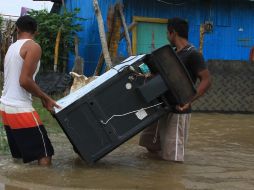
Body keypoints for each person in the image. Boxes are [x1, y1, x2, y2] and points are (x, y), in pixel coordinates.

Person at [139, 17, 211, 162]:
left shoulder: (193, 54)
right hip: (162, 106)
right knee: (149, 144)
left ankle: (171, 179)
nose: (167, 36)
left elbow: (207, 80)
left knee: (173, 157)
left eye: (167, 33)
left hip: (179, 109)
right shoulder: (171, 54)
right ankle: (158, 175)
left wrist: (189, 100)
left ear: (173, 33)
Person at [0, 15, 60, 166]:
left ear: (17, 29)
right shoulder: (33, 46)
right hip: (20, 108)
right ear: (36, 31)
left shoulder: (12, 48)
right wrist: (46, 97)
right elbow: (24, 80)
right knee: (45, 154)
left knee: (20, 158)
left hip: (5, 107)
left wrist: (40, 97)